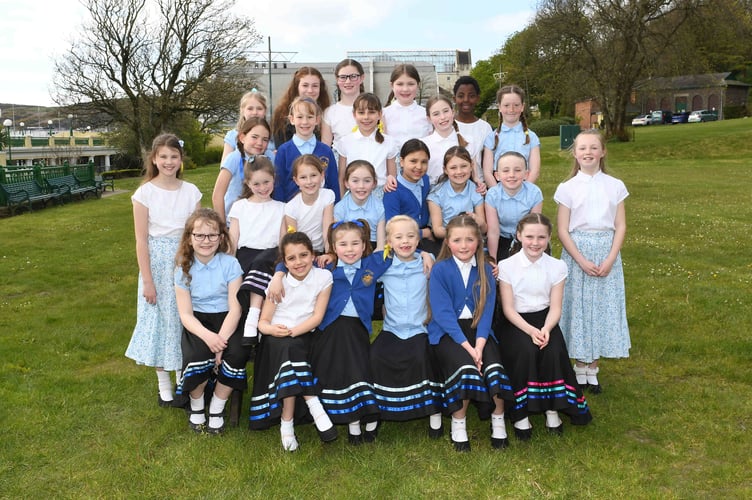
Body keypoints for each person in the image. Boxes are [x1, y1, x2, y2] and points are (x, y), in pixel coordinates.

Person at [497, 213, 592, 440]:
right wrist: (530, 331)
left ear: (549, 238)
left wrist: (547, 329)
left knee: (553, 350)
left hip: (545, 320)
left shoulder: (557, 267)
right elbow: (508, 309)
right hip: (516, 322)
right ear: (519, 236)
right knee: (525, 351)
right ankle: (520, 413)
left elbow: (556, 307)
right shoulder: (506, 265)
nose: (535, 242)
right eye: (529, 236)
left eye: (541, 237)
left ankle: (552, 407)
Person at [126, 133, 202, 409]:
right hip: (156, 264)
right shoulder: (144, 193)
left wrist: (190, 258)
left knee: (182, 320)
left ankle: (184, 379)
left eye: (174, 156)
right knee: (159, 322)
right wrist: (147, 280)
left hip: (184, 260)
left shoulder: (191, 191)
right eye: (163, 157)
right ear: (154, 159)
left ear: (181, 159)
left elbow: (197, 231)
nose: (169, 162)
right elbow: (141, 239)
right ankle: (164, 386)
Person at [427, 214, 513, 452]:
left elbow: (486, 312)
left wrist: (481, 346)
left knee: (493, 367)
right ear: (448, 243)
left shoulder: (485, 269)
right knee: (465, 368)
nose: (463, 246)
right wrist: (469, 348)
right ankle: (459, 421)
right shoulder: (440, 270)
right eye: (457, 240)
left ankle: (498, 418)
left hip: (480, 333)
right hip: (450, 333)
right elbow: (443, 314)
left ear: (478, 242)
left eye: (469, 240)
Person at [554, 129, 630, 393]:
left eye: (593, 147)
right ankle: (578, 367)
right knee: (579, 307)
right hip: (578, 252)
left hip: (606, 251)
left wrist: (610, 258)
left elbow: (620, 225)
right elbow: (562, 229)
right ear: (575, 153)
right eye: (582, 148)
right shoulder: (567, 188)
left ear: (603, 151)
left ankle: (593, 368)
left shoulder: (615, 185)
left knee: (601, 307)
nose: (588, 152)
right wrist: (581, 260)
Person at [248, 231, 338, 450]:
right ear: (284, 262)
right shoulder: (278, 284)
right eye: (291, 258)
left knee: (292, 349)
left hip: (304, 333)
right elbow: (263, 322)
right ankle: (313, 406)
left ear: (313, 255)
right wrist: (272, 329)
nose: (298, 262)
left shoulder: (324, 278)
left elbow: (317, 317)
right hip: (276, 338)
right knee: (288, 350)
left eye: (303, 255)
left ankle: (286, 423)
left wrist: (293, 332)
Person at [174, 208, 247, 434]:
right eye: (199, 235)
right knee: (197, 356)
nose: (206, 241)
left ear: (221, 237)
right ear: (189, 238)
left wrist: (220, 343)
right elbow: (185, 314)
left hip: (227, 320)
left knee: (237, 353)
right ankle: (197, 406)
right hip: (198, 322)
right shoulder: (182, 268)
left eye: (212, 235)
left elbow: (236, 308)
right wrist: (208, 338)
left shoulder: (230, 265)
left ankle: (216, 406)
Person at [369, 215, 440, 431]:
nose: (405, 241)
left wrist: (426, 254)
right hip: (392, 329)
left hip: (420, 328)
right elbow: (363, 273)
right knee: (375, 357)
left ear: (418, 240)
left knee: (422, 358)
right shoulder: (384, 266)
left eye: (411, 236)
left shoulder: (428, 264)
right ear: (389, 241)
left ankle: (433, 412)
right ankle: (376, 412)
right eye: (398, 237)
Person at [227, 156, 286, 346]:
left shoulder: (282, 208)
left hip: (271, 257)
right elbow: (233, 239)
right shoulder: (239, 206)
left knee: (262, 260)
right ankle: (251, 323)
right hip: (246, 256)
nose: (262, 188)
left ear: (274, 179)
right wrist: (227, 264)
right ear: (247, 183)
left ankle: (254, 317)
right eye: (257, 184)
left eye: (266, 182)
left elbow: (283, 243)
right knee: (252, 264)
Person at [273, 96, 340, 203]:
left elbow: (333, 184)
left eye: (309, 117)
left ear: (317, 120)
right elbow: (279, 186)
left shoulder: (326, 151)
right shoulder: (283, 151)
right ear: (292, 119)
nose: (305, 122)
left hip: (322, 212)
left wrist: (335, 211)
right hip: (292, 213)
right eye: (300, 117)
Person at [336, 93, 399, 197]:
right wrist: (342, 200)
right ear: (354, 114)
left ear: (379, 114)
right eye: (361, 112)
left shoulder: (389, 142)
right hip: (353, 196)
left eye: (371, 112)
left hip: (380, 196)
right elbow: (342, 177)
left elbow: (392, 177)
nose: (366, 117)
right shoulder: (345, 142)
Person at [485, 151, 543, 263]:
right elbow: (493, 231)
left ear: (526, 174)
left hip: (528, 238)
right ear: (497, 175)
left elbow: (535, 226)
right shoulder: (492, 195)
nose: (511, 175)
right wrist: (492, 260)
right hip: (501, 239)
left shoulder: (534, 193)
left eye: (517, 170)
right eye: (506, 171)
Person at [212, 117, 271, 224]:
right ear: (242, 138)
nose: (259, 143)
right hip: (234, 222)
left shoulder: (270, 158)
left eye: (265, 139)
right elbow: (218, 195)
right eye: (254, 137)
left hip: (261, 220)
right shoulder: (234, 158)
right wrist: (222, 227)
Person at [482, 84, 541, 187]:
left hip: (524, 189)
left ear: (522, 106)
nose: (511, 109)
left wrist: (524, 192)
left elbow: (534, 171)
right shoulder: (491, 138)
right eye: (506, 105)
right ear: (499, 107)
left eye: (516, 105)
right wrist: (498, 194)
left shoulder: (532, 137)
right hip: (499, 191)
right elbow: (487, 172)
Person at [427, 146, 487, 245]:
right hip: (445, 241)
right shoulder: (436, 193)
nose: (459, 171)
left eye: (463, 166)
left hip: (471, 239)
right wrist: (459, 234)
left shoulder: (475, 190)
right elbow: (437, 231)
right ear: (445, 170)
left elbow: (484, 228)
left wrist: (476, 219)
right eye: (453, 168)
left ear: (471, 166)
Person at [382, 139, 435, 251]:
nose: (419, 167)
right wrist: (423, 233)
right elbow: (392, 227)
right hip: (404, 241)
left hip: (426, 235)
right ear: (401, 162)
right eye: (413, 161)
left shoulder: (425, 180)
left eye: (424, 162)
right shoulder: (393, 190)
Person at [283, 155, 335, 254]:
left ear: (322, 175)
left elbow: (327, 229)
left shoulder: (328, 196)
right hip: (301, 252)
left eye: (313, 175)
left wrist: (329, 254)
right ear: (296, 180)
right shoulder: (291, 207)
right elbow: (294, 240)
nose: (309, 182)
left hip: (321, 251)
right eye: (303, 177)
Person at [270, 67, 330, 148]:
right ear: (297, 87)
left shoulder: (327, 114)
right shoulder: (281, 114)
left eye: (315, 86)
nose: (310, 90)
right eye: (305, 85)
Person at [334, 160, 385, 250]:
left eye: (367, 181)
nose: (361, 186)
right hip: (349, 248)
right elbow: (337, 240)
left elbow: (380, 245)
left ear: (374, 183)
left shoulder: (379, 207)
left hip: (372, 246)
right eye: (355, 181)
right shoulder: (340, 208)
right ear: (346, 183)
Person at [421, 95, 471, 186]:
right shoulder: (423, 145)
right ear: (429, 119)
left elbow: (473, 173)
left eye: (446, 111)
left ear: (453, 112)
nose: (443, 117)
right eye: (436, 114)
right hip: (433, 195)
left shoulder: (467, 141)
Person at [382, 64, 432, 150]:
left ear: (418, 85)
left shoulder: (427, 114)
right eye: (400, 84)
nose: (405, 89)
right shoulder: (383, 114)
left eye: (411, 84)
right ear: (392, 86)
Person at [453, 76, 492, 182]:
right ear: (454, 98)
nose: (466, 100)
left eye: (471, 96)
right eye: (461, 96)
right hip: (453, 185)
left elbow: (487, 162)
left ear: (477, 98)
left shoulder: (485, 128)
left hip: (479, 185)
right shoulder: (447, 125)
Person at [220, 90, 274, 165]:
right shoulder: (232, 135)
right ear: (242, 111)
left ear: (265, 111)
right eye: (250, 109)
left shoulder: (271, 135)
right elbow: (224, 165)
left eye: (259, 109)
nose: (255, 112)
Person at [321, 58, 365, 151]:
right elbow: (325, 149)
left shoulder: (375, 109)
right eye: (343, 77)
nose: (348, 81)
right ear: (337, 79)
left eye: (353, 76)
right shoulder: (330, 112)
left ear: (362, 78)